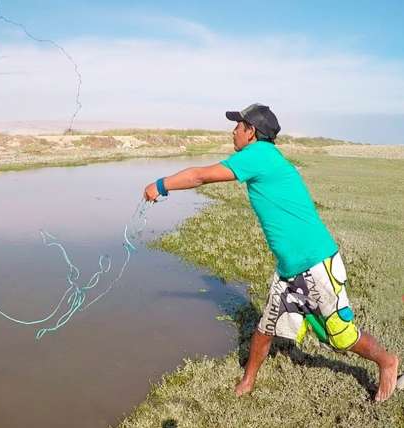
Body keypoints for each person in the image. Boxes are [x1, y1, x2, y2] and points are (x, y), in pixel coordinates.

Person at [143, 103, 401, 402]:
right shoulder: (264, 157)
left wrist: (161, 185)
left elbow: (201, 176)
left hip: (314, 263)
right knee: (266, 326)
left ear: (251, 132)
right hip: (291, 267)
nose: (233, 131)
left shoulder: (259, 155)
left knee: (339, 335)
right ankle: (248, 381)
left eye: (238, 126)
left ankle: (386, 361)